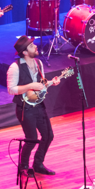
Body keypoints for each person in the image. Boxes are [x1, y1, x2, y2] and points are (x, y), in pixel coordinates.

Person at [7, 36, 59, 175]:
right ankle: (23, 166)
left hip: (39, 105)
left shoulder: (38, 63)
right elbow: (11, 89)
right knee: (32, 139)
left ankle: (38, 164)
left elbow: (40, 85)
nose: (35, 46)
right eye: (31, 46)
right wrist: (29, 86)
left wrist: (50, 83)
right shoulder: (15, 67)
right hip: (25, 108)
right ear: (24, 52)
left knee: (48, 135)